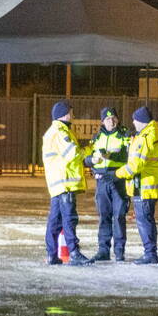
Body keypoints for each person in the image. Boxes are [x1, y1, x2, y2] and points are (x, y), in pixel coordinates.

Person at [43, 100, 95, 266]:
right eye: (71, 112)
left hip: (58, 183)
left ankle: (52, 255)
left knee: (56, 220)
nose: (73, 115)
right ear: (64, 114)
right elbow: (72, 153)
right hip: (65, 182)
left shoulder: (56, 131)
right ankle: (73, 252)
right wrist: (91, 153)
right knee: (69, 218)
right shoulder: (60, 131)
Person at [116, 106, 158, 264]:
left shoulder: (146, 137)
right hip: (151, 183)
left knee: (144, 220)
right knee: (148, 219)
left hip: (144, 185)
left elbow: (135, 165)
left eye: (135, 119)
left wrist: (116, 174)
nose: (133, 122)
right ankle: (150, 252)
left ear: (141, 121)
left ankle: (150, 254)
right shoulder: (155, 133)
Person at [85, 106, 131, 261]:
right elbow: (88, 157)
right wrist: (90, 161)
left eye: (114, 118)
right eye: (108, 119)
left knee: (119, 216)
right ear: (102, 121)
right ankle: (103, 251)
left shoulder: (125, 135)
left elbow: (130, 157)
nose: (111, 121)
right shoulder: (96, 137)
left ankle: (119, 252)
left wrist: (111, 156)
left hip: (118, 180)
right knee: (104, 216)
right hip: (102, 180)